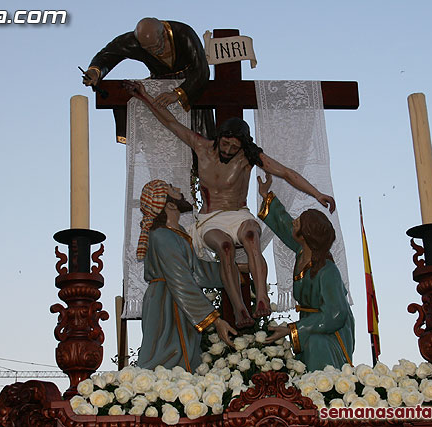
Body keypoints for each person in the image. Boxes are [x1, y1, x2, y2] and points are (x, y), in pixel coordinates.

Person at [126, 80, 336, 329]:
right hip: (210, 218)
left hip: (238, 213)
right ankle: (239, 310)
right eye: (225, 144)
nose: (227, 150)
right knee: (225, 247)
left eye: (234, 147)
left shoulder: (248, 158)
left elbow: (287, 173)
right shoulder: (202, 147)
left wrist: (317, 193)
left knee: (250, 236)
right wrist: (144, 97)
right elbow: (170, 123)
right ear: (218, 138)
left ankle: (261, 299)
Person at [136, 179, 236, 372]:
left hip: (176, 301)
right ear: (170, 204)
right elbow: (181, 280)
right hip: (166, 303)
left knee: (185, 354)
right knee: (166, 357)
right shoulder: (161, 236)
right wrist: (215, 320)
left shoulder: (177, 233)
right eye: (173, 190)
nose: (179, 190)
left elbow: (197, 271)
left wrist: (234, 269)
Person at [258, 173, 354, 372]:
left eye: (299, 221)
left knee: (318, 355)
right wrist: (266, 195)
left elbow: (336, 314)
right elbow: (285, 224)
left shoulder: (328, 271)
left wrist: (292, 330)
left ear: (306, 234)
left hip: (330, 331)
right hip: (311, 326)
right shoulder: (303, 250)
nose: (295, 222)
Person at [83, 17, 213, 143]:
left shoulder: (183, 33)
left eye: (155, 46)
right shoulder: (133, 41)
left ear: (163, 34)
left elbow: (201, 69)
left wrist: (178, 93)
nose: (153, 52)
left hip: (190, 87)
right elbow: (108, 54)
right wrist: (95, 71)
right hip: (159, 87)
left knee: (199, 138)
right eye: (147, 49)